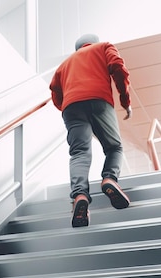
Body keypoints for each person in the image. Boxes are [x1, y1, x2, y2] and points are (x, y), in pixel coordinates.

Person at [50, 33, 133, 227]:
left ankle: (80, 195)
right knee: (114, 147)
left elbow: (55, 92)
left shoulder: (65, 64)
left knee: (79, 152)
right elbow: (119, 69)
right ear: (93, 42)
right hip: (99, 100)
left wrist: (68, 107)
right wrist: (125, 101)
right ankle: (109, 179)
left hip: (71, 107)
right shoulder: (104, 47)